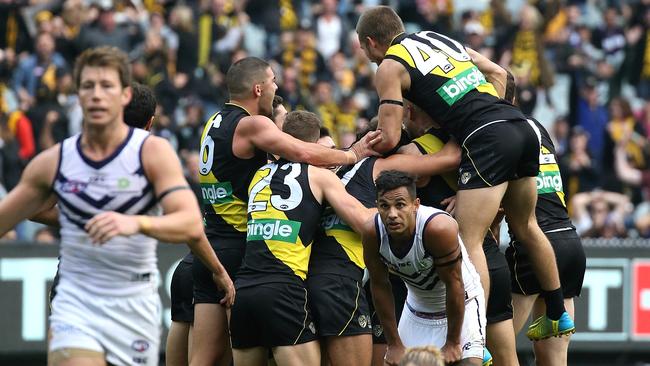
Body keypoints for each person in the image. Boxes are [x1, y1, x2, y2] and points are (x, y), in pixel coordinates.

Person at [0, 46, 233, 366]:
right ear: (77, 96)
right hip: (75, 303)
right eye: (88, 86)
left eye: (106, 85)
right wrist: (77, 222)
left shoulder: (152, 153)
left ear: (123, 95)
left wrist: (136, 224)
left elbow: (190, 223)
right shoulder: (54, 162)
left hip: (132, 304)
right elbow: (13, 215)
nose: (97, 95)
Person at [356, 6, 573, 339]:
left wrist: (356, 152)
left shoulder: (388, 66)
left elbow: (389, 136)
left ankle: (476, 337)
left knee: (468, 239)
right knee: (527, 225)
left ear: (370, 43)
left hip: (486, 137)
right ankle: (558, 314)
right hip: (520, 124)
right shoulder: (439, 38)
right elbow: (502, 74)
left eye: (365, 51)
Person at [192, 57, 381, 366]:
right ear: (257, 88)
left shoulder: (213, 124)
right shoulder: (253, 124)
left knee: (203, 360)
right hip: (244, 255)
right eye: (273, 81)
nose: (276, 86)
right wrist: (351, 154)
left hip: (210, 250)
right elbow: (302, 151)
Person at [229, 111, 376, 366]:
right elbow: (363, 222)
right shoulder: (320, 176)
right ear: (312, 144)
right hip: (284, 288)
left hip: (244, 291)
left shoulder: (258, 176)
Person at [362, 170, 485, 365]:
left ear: (415, 205)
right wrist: (393, 344)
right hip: (417, 307)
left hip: (463, 303)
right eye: (384, 206)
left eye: (400, 205)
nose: (392, 214)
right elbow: (379, 285)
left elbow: (455, 285)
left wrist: (453, 342)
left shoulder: (438, 229)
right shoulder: (372, 233)